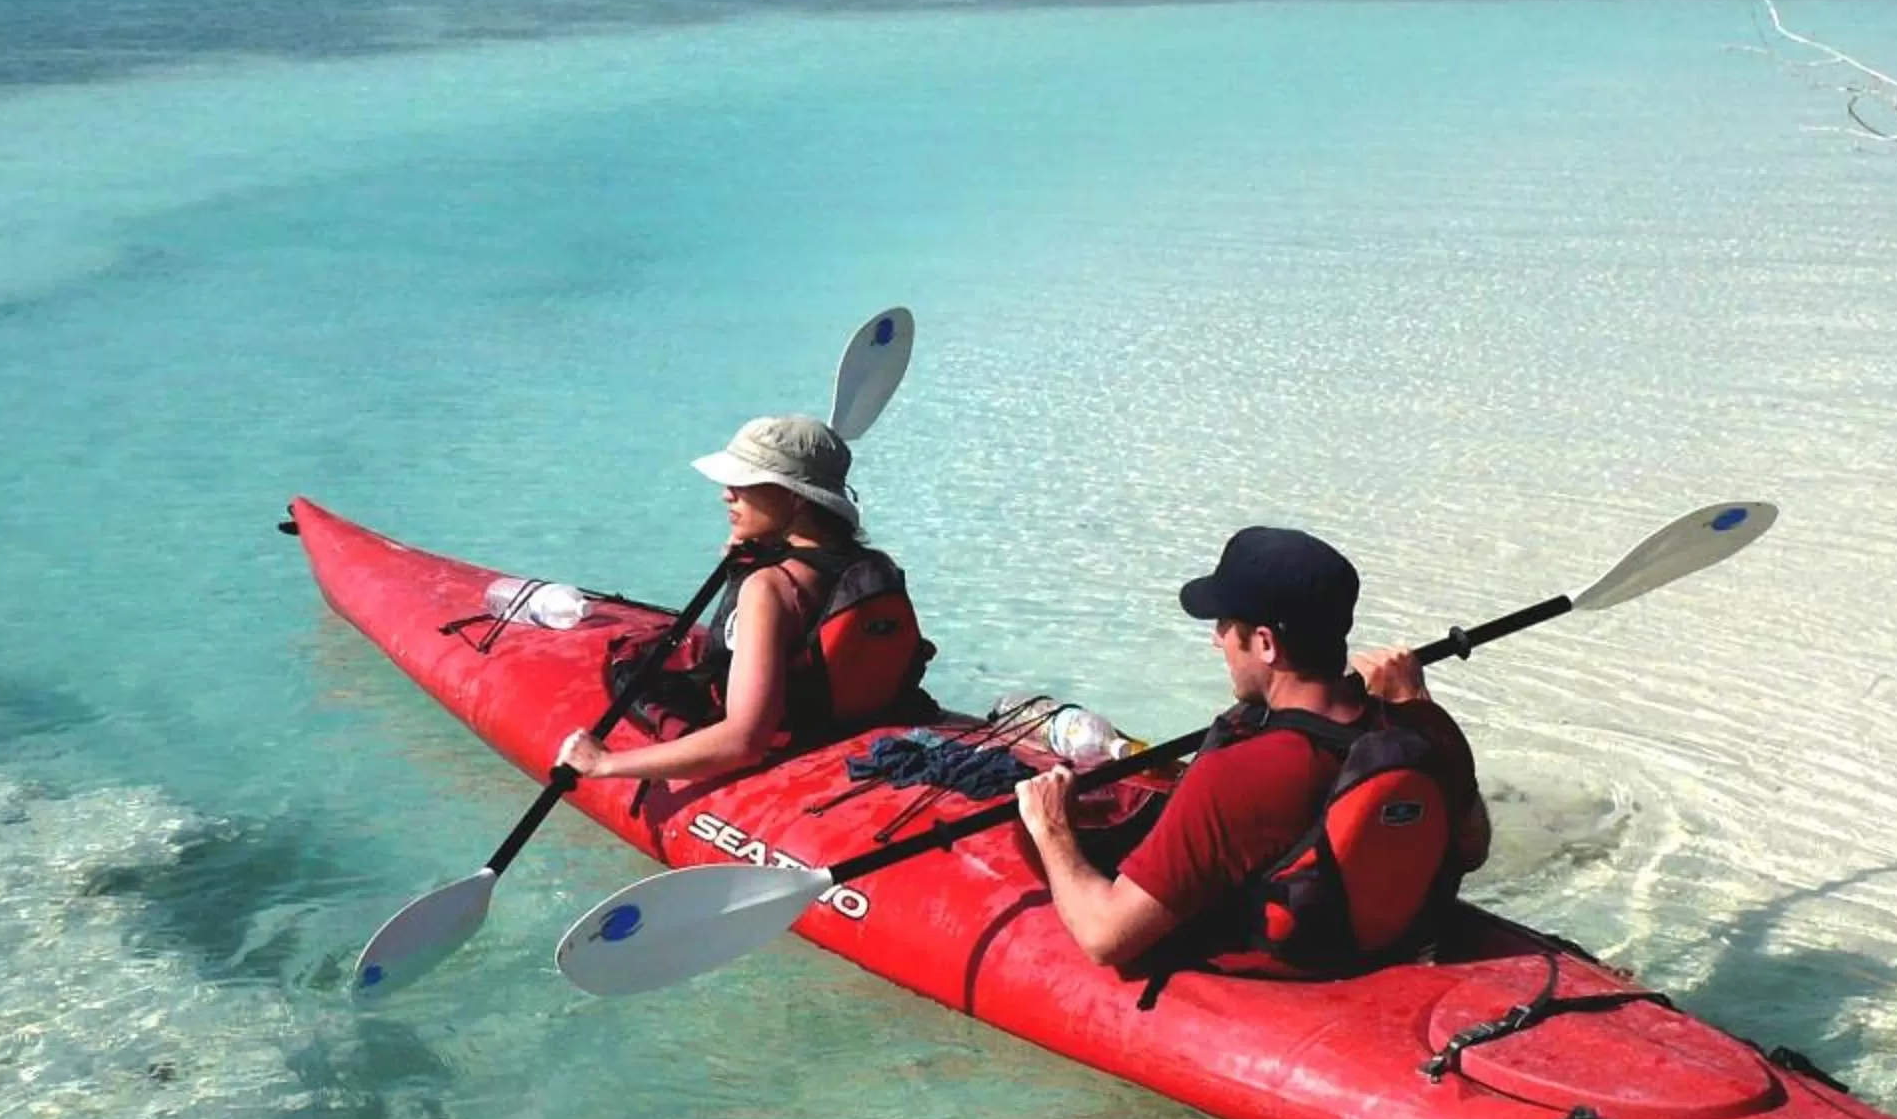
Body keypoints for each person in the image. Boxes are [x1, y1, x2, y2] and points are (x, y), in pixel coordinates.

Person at [1015, 526, 1490, 976]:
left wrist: (1052, 828)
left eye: (1225, 625)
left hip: (1293, 968)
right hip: (1388, 942)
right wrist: (1415, 701)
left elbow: (1106, 937)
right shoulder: (1425, 729)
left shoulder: (1236, 776)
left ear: (1265, 642)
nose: (1216, 638)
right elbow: (1473, 848)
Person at [557, 413, 929, 787]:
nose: (726, 493)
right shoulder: (877, 567)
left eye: (744, 482)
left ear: (795, 499)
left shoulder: (770, 587)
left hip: (788, 740)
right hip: (852, 723)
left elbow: (744, 742)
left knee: (632, 672)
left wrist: (604, 764)